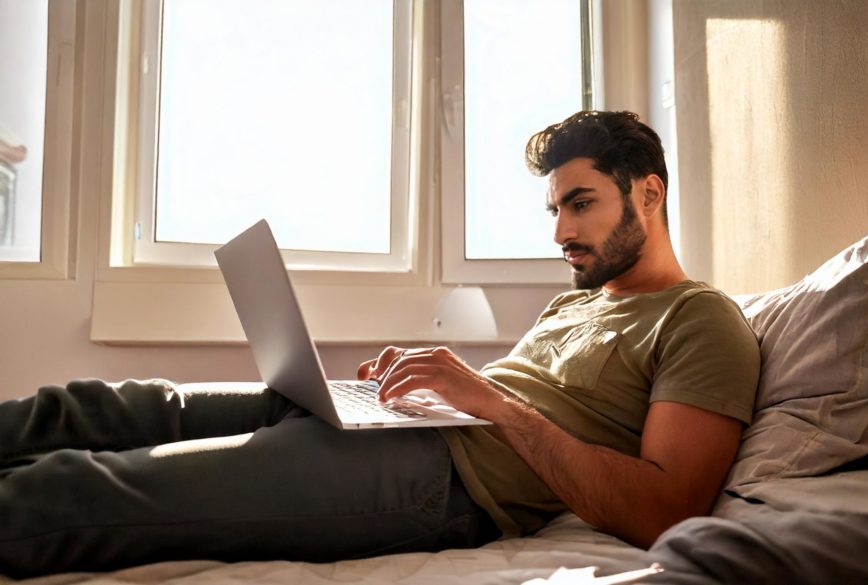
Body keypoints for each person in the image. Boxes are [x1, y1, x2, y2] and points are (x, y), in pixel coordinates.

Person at [0, 111, 760, 578]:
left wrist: (484, 397)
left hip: (441, 481)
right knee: (110, 405)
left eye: (580, 204)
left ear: (650, 193)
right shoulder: (577, 302)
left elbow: (665, 509)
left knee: (92, 486)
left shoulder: (701, 319)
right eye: (555, 208)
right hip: (408, 425)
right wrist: (420, 385)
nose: (560, 231)